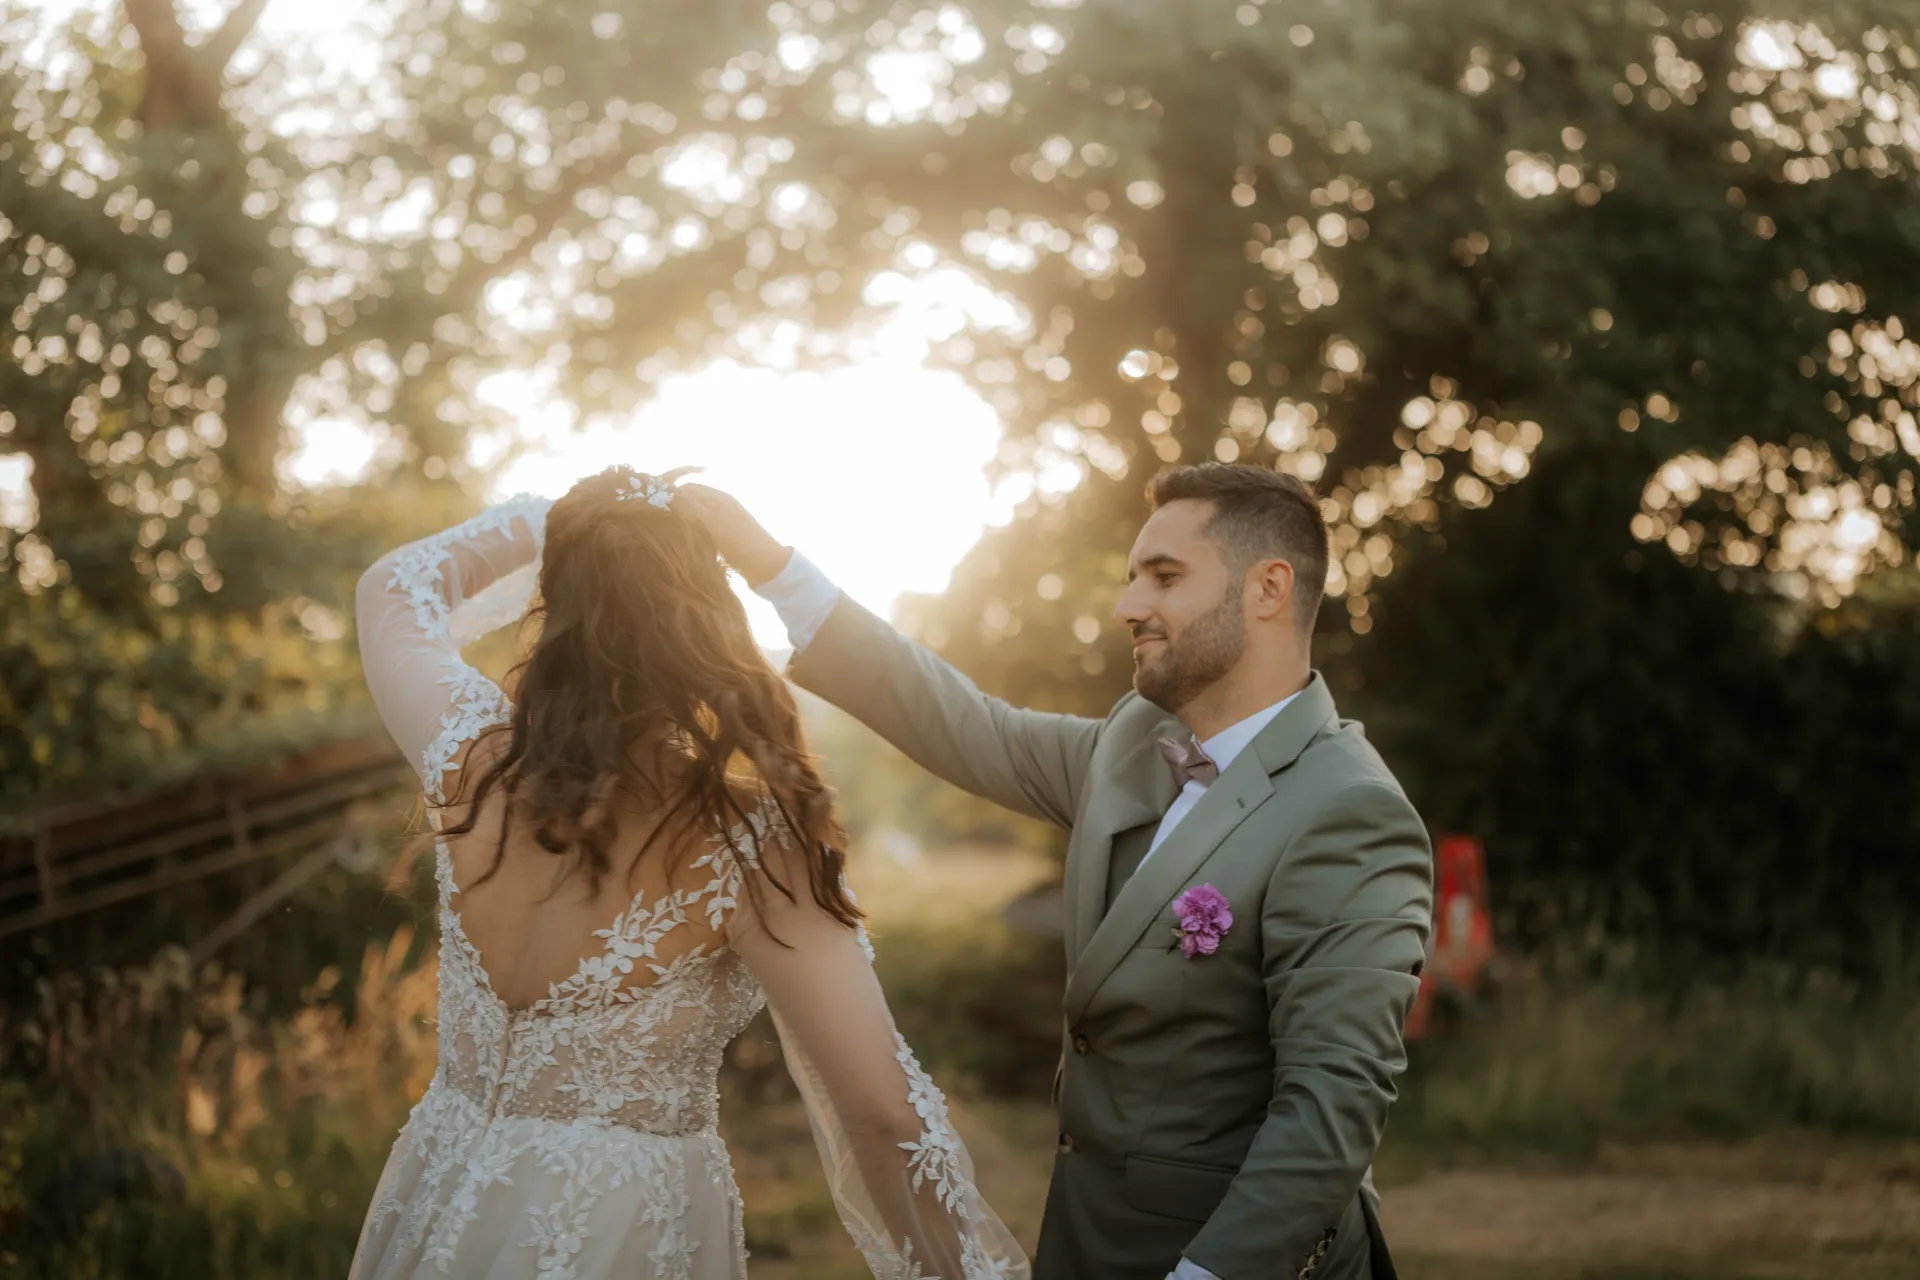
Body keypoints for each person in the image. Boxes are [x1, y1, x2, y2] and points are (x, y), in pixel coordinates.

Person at [681, 463, 1433, 1280]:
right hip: (1085, 1242)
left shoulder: (1349, 810)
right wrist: (770, 567)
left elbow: (1331, 1109)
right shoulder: (1133, 741)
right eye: (1131, 578)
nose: (1127, 607)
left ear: (1269, 589)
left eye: (1164, 577)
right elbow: (969, 726)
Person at [348, 466, 1025, 1280]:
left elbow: (394, 587)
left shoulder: (466, 750)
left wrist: (563, 520)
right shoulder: (747, 840)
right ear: (706, 619)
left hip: (441, 1189)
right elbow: (883, 1117)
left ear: (553, 603)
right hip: (618, 1229)